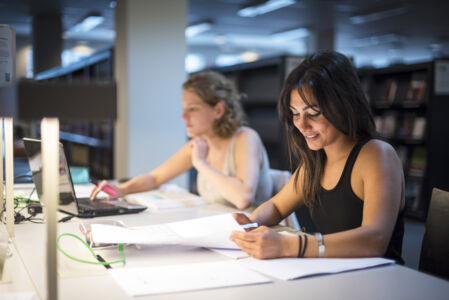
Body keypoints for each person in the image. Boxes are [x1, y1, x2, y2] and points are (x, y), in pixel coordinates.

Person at [230, 50, 405, 263]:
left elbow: (374, 240)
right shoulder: (317, 161)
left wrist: (288, 245)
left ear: (344, 106)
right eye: (295, 114)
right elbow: (276, 206)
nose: (302, 125)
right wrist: (250, 225)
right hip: (335, 275)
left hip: (379, 282)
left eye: (313, 113)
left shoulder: (376, 155)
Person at [90, 71, 273, 210]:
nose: (183, 117)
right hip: (222, 231)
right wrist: (122, 189)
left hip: (254, 235)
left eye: (192, 109)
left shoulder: (245, 138)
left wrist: (200, 163)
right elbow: (155, 178)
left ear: (218, 110)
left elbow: (242, 198)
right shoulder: (200, 143)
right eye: (184, 109)